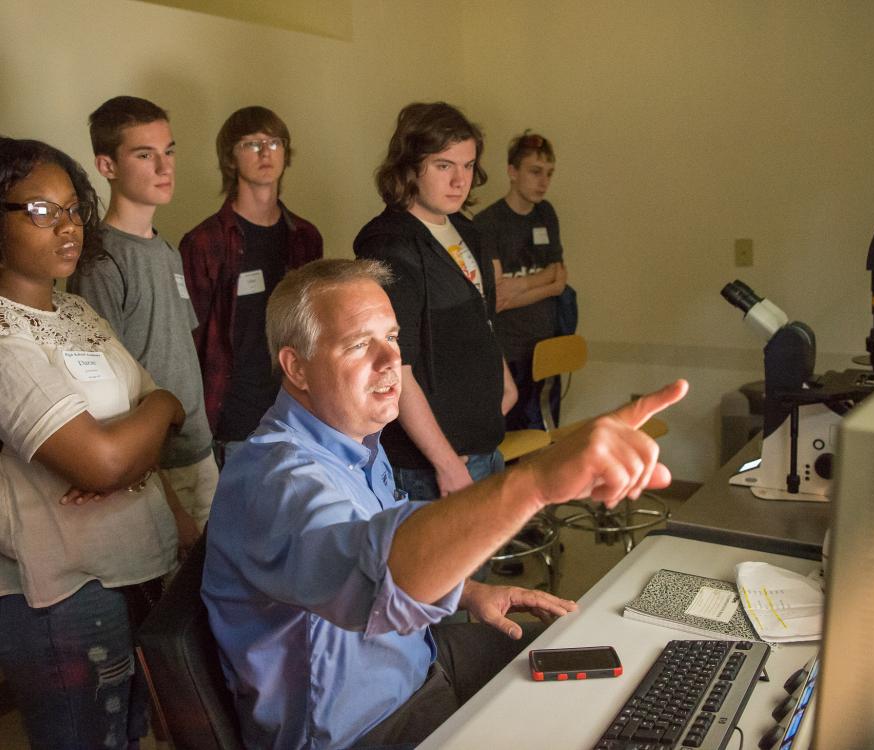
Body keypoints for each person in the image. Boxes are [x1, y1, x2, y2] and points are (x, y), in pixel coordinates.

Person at [201, 257, 688, 749]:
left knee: (603, 677)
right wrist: (536, 482)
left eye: (391, 337)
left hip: (418, 666)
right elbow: (378, 576)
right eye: (357, 345)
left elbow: (385, 555)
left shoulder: (357, 440)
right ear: (296, 367)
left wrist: (466, 591)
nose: (391, 361)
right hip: (364, 730)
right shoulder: (277, 479)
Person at [0, 137, 187, 748]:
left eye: (72, 208)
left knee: (131, 736)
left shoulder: (78, 312)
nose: (66, 225)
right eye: (38, 211)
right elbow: (103, 461)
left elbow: (168, 410)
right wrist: (133, 437)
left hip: (136, 570)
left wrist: (146, 424)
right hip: (64, 598)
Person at [354, 101, 516, 504]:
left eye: (467, 166)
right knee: (440, 569)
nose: (460, 180)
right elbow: (395, 367)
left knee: (482, 568)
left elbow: (482, 320)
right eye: (444, 166)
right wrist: (446, 462)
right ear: (410, 167)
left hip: (482, 442)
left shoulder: (466, 229)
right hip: (434, 462)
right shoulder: (390, 244)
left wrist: (505, 386)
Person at [68, 95, 214, 533]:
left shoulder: (167, 249)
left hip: (197, 451)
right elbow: (101, 391)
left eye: (168, 152)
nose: (164, 168)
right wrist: (165, 497)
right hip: (153, 468)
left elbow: (177, 351)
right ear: (107, 166)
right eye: (144, 155)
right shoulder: (99, 261)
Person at [179, 106, 322, 466]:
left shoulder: (304, 236)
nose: (265, 152)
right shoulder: (205, 242)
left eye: (274, 143)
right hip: (234, 421)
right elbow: (189, 341)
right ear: (231, 157)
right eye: (251, 144)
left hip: (298, 415)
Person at [475, 132, 568, 430]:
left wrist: (528, 285)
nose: (543, 182)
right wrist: (548, 285)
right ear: (512, 171)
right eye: (535, 172)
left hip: (545, 344)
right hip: (509, 349)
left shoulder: (546, 213)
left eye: (549, 174)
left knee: (543, 431)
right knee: (511, 435)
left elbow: (560, 275)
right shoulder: (489, 223)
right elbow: (499, 298)